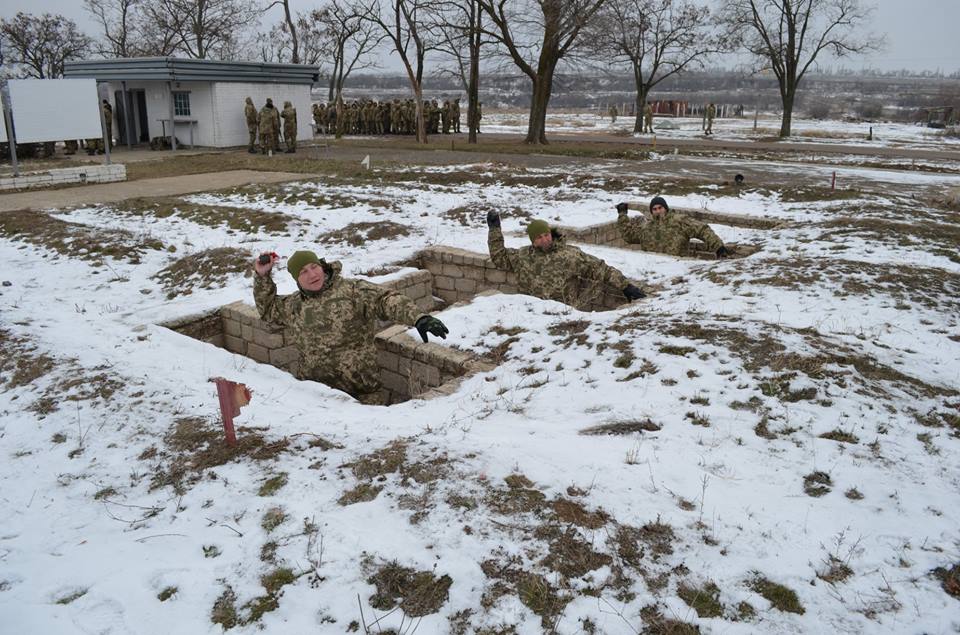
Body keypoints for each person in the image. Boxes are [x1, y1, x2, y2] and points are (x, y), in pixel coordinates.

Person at [253, 250, 449, 405]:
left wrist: (418, 318)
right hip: (316, 396)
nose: (312, 274)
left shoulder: (352, 291)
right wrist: (262, 276)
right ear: (297, 279)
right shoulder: (293, 305)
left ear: (322, 266)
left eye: (314, 267)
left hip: (363, 396)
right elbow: (268, 310)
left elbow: (386, 300)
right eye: (304, 271)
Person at [486, 213, 645, 311]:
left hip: (562, 316)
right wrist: (494, 230)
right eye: (539, 237)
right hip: (530, 314)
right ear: (533, 241)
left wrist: (626, 286)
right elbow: (499, 257)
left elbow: (600, 268)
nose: (545, 239)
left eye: (546, 234)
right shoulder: (522, 256)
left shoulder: (570, 255)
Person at [616, 196, 727, 258]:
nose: (658, 211)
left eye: (660, 208)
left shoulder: (679, 221)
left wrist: (718, 247)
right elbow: (629, 236)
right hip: (652, 270)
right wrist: (622, 215)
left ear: (665, 208)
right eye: (654, 209)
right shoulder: (646, 227)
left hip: (677, 269)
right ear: (651, 211)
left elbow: (702, 230)